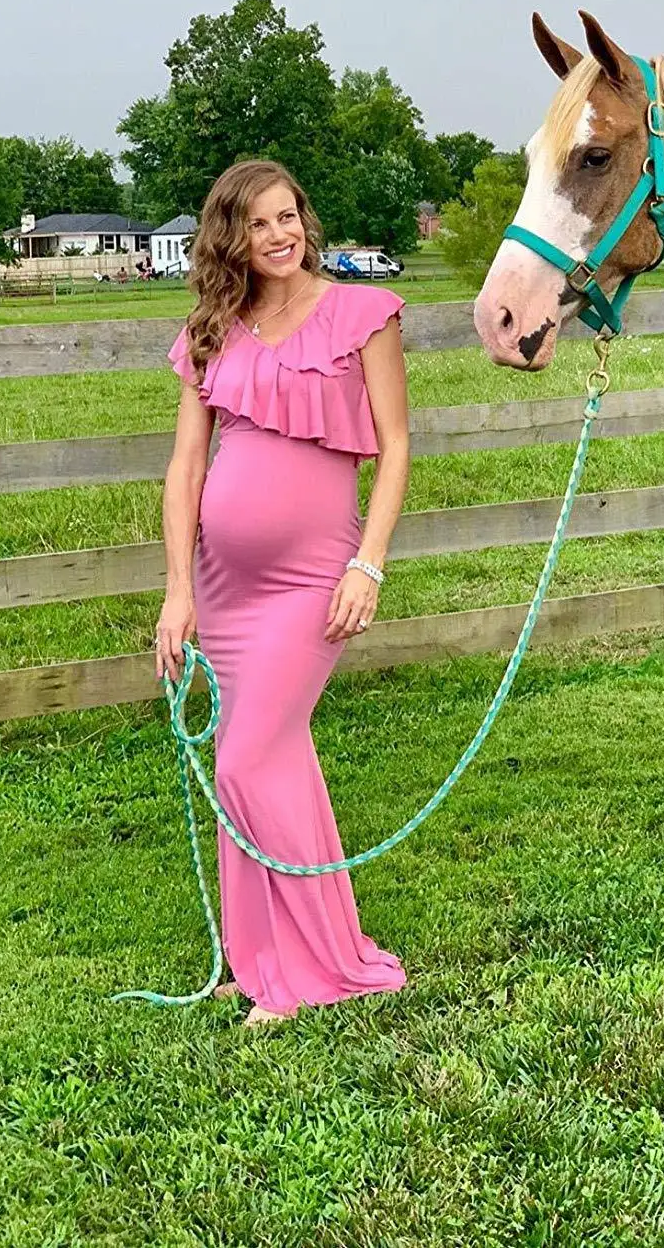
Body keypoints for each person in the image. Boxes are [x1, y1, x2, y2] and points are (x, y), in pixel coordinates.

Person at [155, 159, 409, 1026]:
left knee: (247, 759)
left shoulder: (360, 314)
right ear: (232, 235)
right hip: (223, 588)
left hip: (313, 581)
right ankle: (264, 957)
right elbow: (187, 465)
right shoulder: (210, 330)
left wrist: (366, 563)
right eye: (260, 223)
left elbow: (398, 446)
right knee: (266, 765)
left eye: (290, 215)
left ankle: (316, 968)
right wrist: (176, 593)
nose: (280, 234)